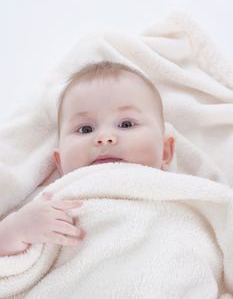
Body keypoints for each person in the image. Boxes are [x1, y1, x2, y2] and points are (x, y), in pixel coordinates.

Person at [0, 61, 175, 257]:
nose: (105, 137)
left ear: (166, 152)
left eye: (126, 124)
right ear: (60, 162)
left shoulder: (182, 195)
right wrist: (16, 229)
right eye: (85, 129)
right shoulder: (51, 204)